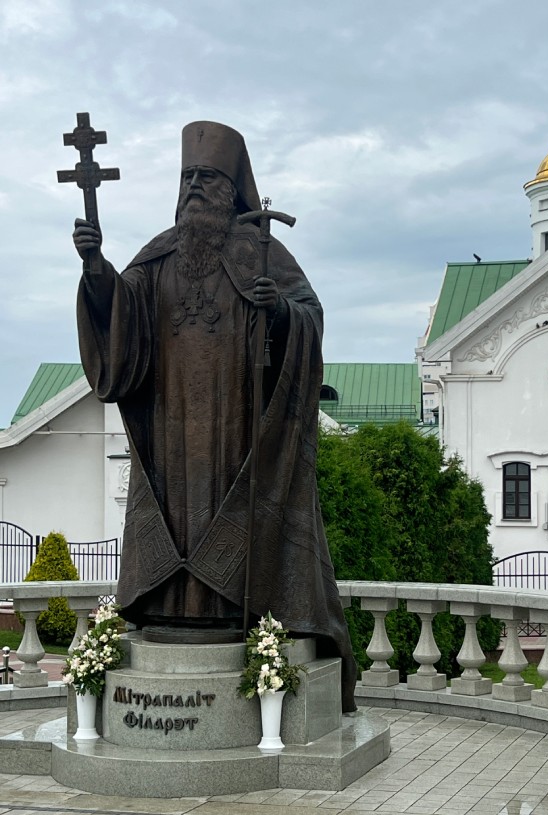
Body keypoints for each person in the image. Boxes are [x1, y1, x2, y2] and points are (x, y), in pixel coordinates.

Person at [73, 121, 356, 711]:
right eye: (188, 178)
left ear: (231, 188)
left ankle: (232, 610)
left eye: (207, 177)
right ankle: (168, 608)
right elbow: (120, 312)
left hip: (237, 429)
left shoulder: (262, 251)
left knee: (231, 505)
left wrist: (279, 311)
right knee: (175, 510)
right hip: (170, 426)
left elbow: (310, 317)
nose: (195, 187)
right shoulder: (158, 257)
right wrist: (95, 268)